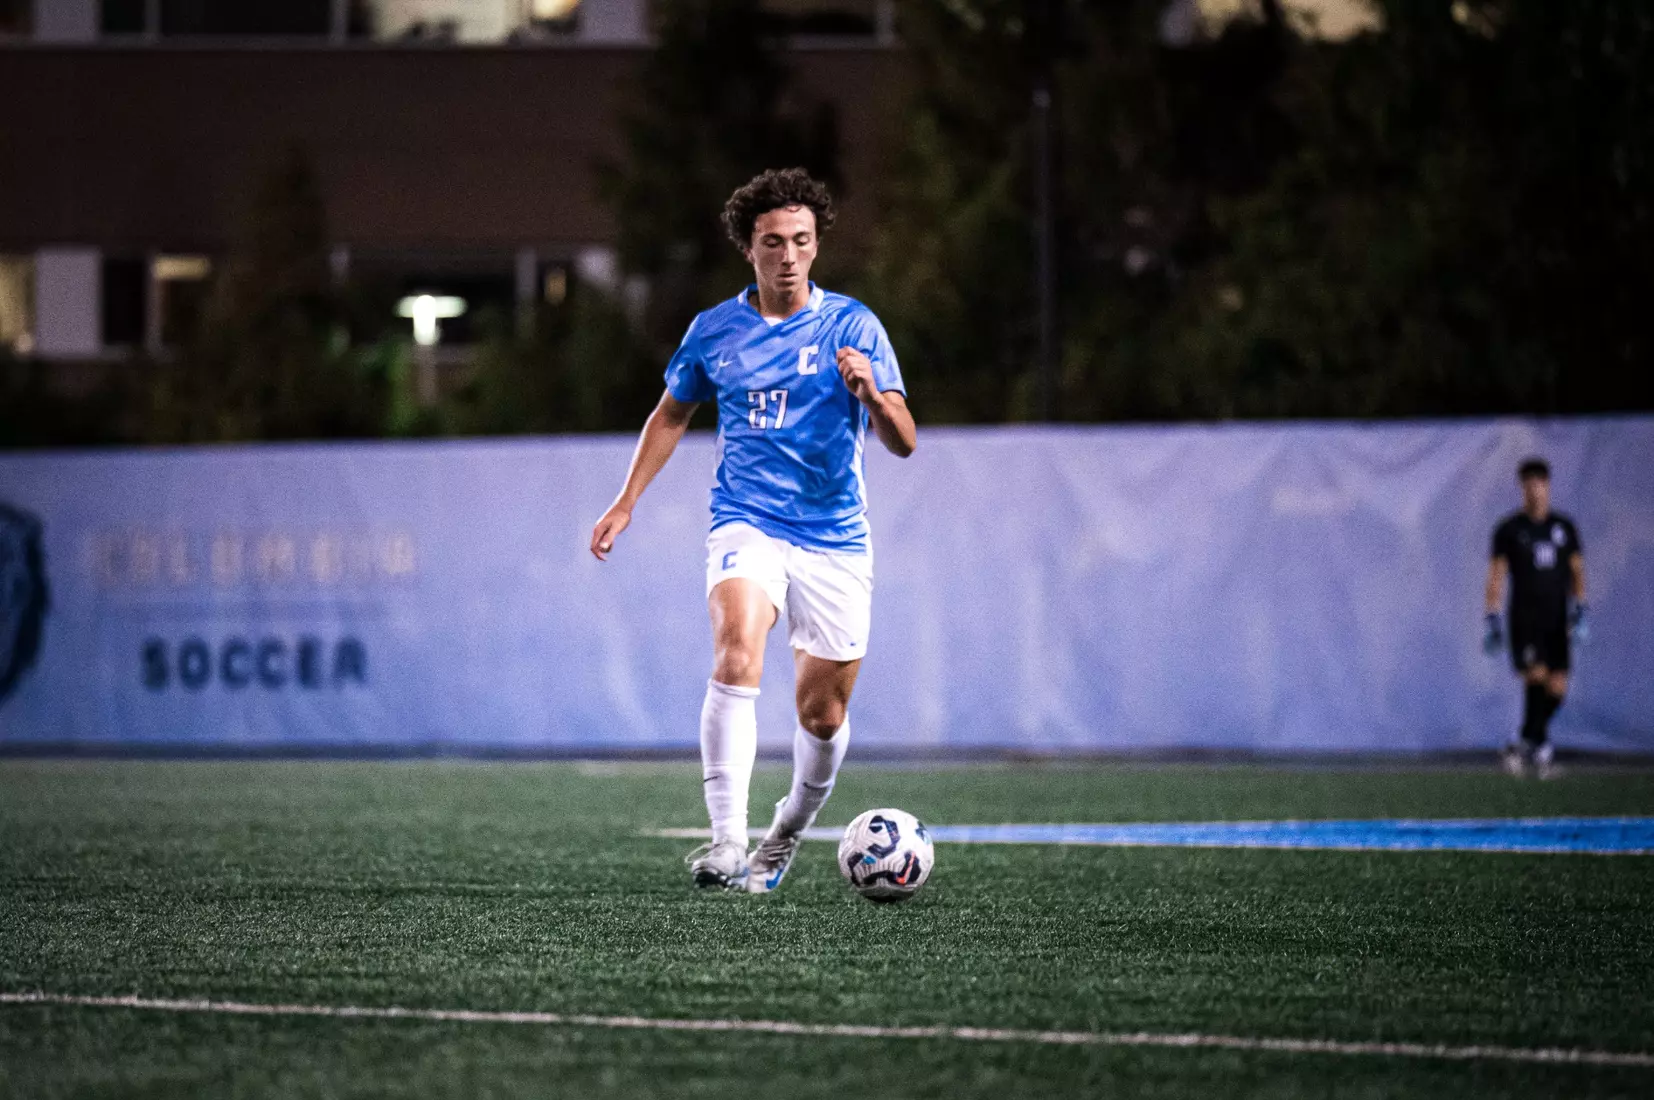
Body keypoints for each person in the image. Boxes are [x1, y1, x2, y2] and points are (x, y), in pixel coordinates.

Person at [589, 167, 916, 891]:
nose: (790, 255)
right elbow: (671, 413)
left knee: (823, 715)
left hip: (834, 537)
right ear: (750, 249)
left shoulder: (853, 325)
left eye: (803, 240)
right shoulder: (715, 331)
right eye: (774, 242)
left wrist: (872, 393)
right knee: (738, 651)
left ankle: (785, 833)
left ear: (817, 244)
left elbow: (904, 439)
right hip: (746, 520)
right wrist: (626, 501)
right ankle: (727, 840)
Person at [1483, 457, 1587, 778]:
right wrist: (1492, 615)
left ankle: (1522, 742)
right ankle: (1541, 752)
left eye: (1539, 483)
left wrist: (1581, 610)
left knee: (1557, 688)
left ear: (1548, 486)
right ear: (1522, 488)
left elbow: (1577, 572)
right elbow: (1497, 574)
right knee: (1536, 678)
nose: (1534, 490)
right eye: (1528, 484)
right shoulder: (1510, 529)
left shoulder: (1563, 528)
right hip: (1526, 619)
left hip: (1557, 619)